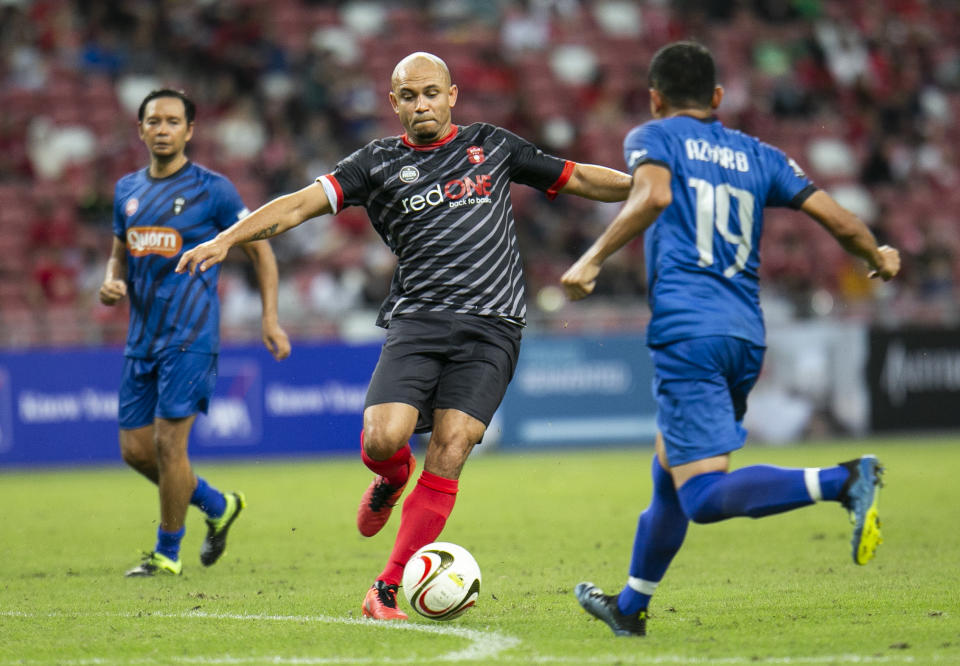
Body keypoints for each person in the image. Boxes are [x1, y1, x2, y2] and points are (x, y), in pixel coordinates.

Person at [176, 52, 632, 619]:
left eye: (432, 93)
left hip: (494, 328)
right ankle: (391, 479)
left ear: (452, 95)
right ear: (394, 103)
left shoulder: (494, 145)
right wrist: (226, 240)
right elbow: (298, 205)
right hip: (419, 321)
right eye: (409, 96)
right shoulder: (377, 163)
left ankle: (385, 589)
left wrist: (644, 189)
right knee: (386, 438)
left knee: (452, 447)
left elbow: (581, 176)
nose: (422, 104)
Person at [560, 41, 901, 637]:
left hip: (688, 331)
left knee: (702, 495)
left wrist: (592, 259)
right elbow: (837, 219)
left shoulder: (654, 135)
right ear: (717, 98)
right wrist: (877, 253)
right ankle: (629, 609)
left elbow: (655, 195)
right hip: (745, 333)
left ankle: (843, 479)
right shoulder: (758, 154)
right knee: (669, 473)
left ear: (655, 98)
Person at [100, 89, 291, 577]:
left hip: (192, 335)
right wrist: (113, 279)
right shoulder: (126, 190)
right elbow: (120, 251)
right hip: (140, 337)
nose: (162, 128)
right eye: (153, 121)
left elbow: (262, 250)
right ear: (140, 129)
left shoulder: (215, 191)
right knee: (135, 451)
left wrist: (270, 317)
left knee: (169, 445)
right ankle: (217, 504)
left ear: (190, 130)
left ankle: (167, 552)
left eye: (172, 120)